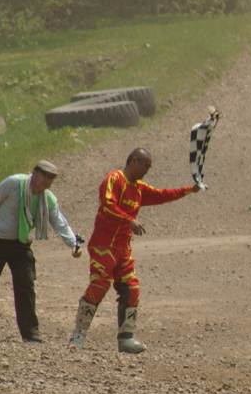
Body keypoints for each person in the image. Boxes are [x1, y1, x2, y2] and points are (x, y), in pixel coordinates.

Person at [69, 148, 201, 353]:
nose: (148, 170)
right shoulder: (113, 179)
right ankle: (78, 335)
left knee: (132, 288)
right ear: (134, 161)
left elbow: (162, 195)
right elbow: (107, 205)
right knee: (100, 285)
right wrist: (129, 220)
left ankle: (126, 339)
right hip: (103, 245)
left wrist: (189, 190)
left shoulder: (140, 188)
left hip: (123, 248)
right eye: (146, 165)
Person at [0, 160, 82, 344]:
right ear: (34, 173)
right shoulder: (14, 183)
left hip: (19, 244)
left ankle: (31, 332)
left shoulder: (47, 198)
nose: (47, 180)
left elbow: (59, 222)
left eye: (51, 177)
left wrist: (73, 244)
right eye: (44, 175)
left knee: (26, 285)